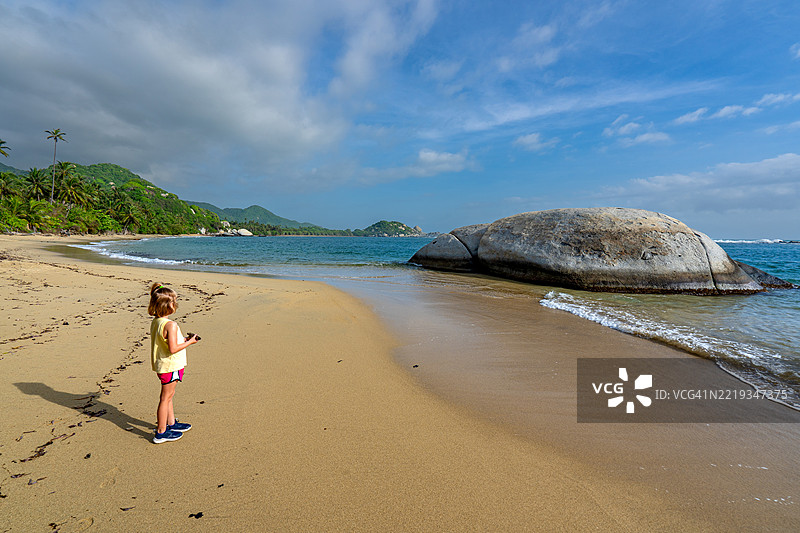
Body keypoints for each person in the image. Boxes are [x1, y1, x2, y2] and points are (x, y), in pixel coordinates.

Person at [148, 282, 200, 444]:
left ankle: (170, 423)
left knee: (169, 396)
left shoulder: (157, 322)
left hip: (162, 366)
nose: (175, 305)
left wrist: (183, 339)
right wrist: (190, 342)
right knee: (165, 398)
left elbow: (167, 342)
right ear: (167, 306)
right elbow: (173, 348)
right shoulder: (171, 325)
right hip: (171, 366)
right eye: (174, 302)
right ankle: (161, 432)